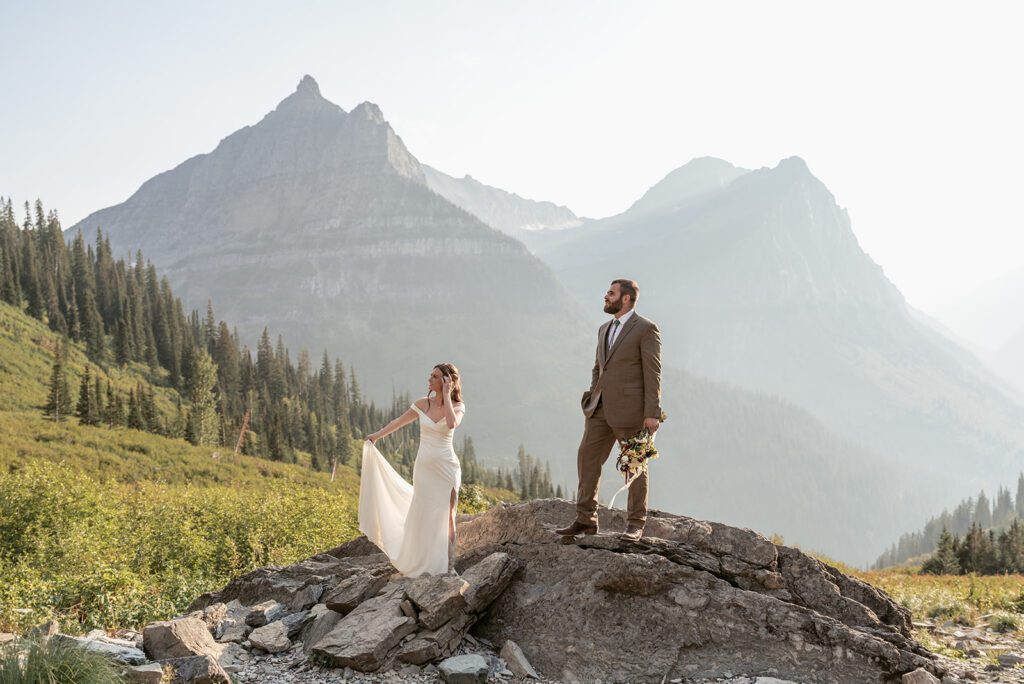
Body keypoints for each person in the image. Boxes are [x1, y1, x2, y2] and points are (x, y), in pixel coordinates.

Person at [555, 279, 662, 542]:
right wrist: (592, 395)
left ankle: (635, 524)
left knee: (635, 465)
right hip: (599, 409)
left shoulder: (646, 329)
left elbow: (653, 373)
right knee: (587, 458)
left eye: (611, 293)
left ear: (625, 298)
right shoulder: (604, 329)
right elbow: (598, 368)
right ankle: (585, 519)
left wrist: (652, 412)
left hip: (632, 411)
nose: (606, 296)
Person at [359, 363, 465, 576]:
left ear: (447, 381)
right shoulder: (422, 404)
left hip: (447, 468)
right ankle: (423, 561)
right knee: (423, 512)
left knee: (448, 515)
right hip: (424, 469)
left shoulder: (458, 406)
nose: (429, 379)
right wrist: (376, 436)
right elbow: (398, 422)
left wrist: (447, 395)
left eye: (435, 376)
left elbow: (451, 424)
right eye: (431, 375)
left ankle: (448, 566)